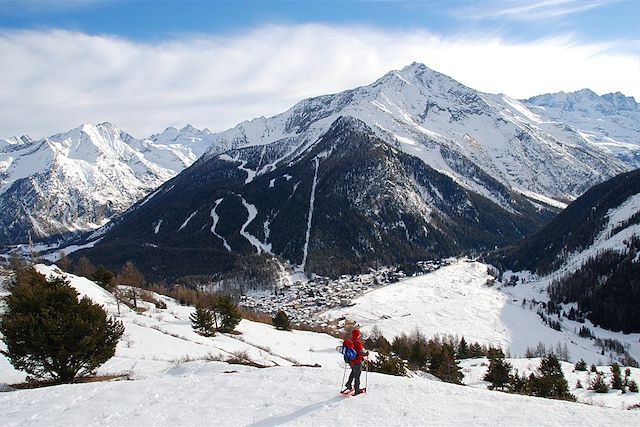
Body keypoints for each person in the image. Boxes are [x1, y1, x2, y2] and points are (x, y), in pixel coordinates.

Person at [344, 328, 368, 395]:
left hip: (351, 361)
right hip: (357, 361)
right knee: (357, 375)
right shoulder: (357, 342)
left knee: (353, 372)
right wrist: (366, 354)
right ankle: (357, 389)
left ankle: (348, 384)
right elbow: (360, 352)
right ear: (357, 335)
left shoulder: (350, 341)